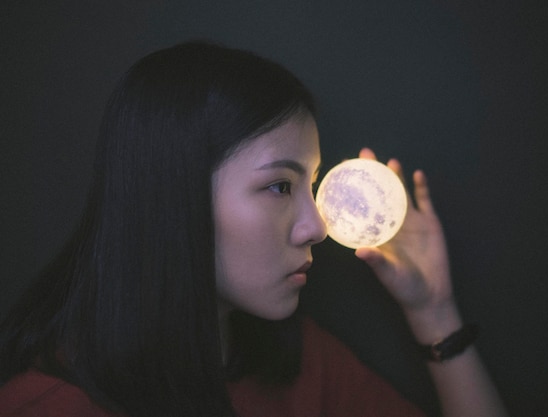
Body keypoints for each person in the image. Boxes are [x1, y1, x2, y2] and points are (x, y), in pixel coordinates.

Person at [0, 41, 507, 417]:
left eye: (310, 184)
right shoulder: (49, 406)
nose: (317, 228)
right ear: (174, 195)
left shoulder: (304, 365)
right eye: (279, 187)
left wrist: (434, 312)